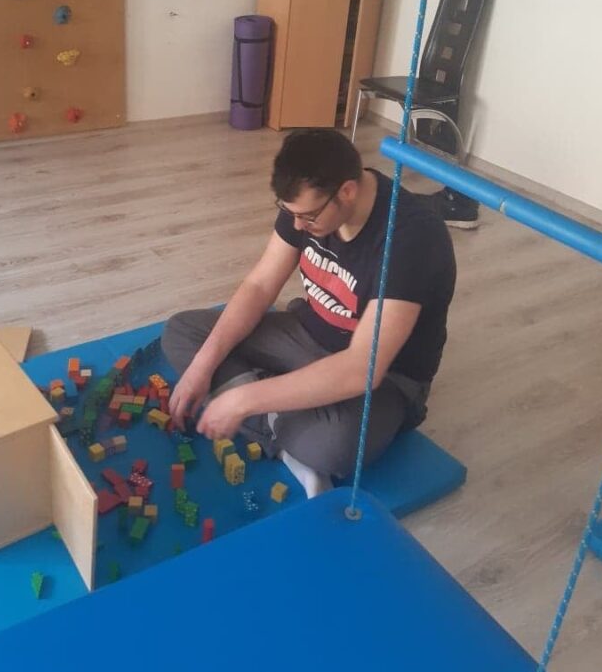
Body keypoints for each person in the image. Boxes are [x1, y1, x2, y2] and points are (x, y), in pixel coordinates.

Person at [163, 129, 457, 498]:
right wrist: (203, 366)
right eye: (290, 213)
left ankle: (275, 413)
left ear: (346, 191)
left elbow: (361, 369)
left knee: (334, 447)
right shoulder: (305, 205)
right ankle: (288, 421)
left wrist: (242, 400)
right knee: (183, 332)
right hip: (307, 332)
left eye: (308, 217)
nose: (298, 226)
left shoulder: (413, 238)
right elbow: (259, 286)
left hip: (386, 378)